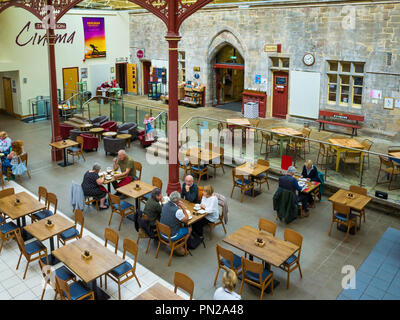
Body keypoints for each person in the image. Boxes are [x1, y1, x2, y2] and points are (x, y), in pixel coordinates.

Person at [160, 191, 191, 255]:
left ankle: (178, 243)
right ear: (178, 200)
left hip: (162, 233)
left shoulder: (164, 205)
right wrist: (183, 208)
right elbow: (186, 219)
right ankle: (180, 247)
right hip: (171, 236)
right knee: (190, 229)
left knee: (178, 224)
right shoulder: (177, 211)